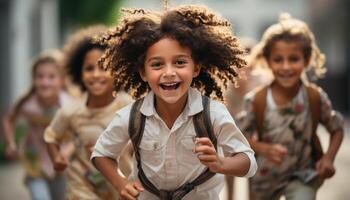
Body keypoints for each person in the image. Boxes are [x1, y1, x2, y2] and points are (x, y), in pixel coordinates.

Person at [91, 5, 257, 200]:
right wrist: (121, 183)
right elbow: (101, 153)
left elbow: (248, 161)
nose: (169, 73)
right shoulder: (131, 117)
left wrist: (221, 163)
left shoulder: (212, 114)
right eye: (157, 64)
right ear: (143, 73)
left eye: (179, 62)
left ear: (196, 68)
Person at [237, 13, 344, 200]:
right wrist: (263, 148)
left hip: (303, 176)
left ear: (307, 60)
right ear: (268, 61)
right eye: (278, 60)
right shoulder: (256, 100)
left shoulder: (314, 97)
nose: (286, 67)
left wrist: (328, 158)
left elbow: (337, 128)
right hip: (263, 179)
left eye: (293, 59)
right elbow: (240, 136)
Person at [43, 26, 133, 200]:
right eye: (89, 69)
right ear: (79, 73)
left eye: (103, 67)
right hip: (81, 186)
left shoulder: (127, 105)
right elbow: (51, 135)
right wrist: (56, 158)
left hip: (120, 184)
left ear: (118, 71)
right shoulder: (71, 110)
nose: (96, 75)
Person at [3, 49, 71, 200]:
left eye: (51, 77)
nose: (45, 82)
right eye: (40, 77)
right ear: (33, 80)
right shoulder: (27, 104)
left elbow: (77, 133)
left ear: (62, 80)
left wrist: (66, 151)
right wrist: (11, 144)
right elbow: (8, 119)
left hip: (61, 162)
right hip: (34, 160)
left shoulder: (68, 105)